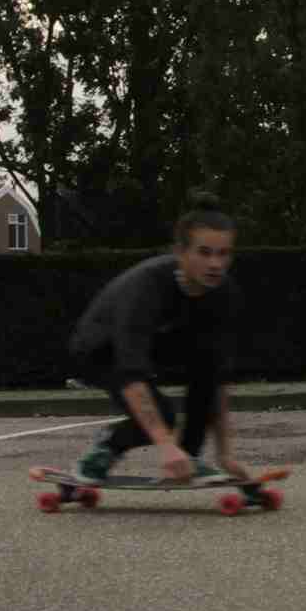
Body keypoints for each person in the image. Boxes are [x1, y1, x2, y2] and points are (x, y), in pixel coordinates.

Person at [66, 201, 252, 485]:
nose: (215, 264)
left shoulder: (224, 294)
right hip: (100, 349)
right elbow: (130, 371)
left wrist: (225, 455)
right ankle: (103, 451)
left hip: (158, 343)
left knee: (208, 369)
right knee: (163, 416)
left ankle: (189, 459)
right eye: (204, 253)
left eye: (223, 254)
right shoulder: (145, 287)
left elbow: (219, 381)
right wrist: (166, 446)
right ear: (180, 252)